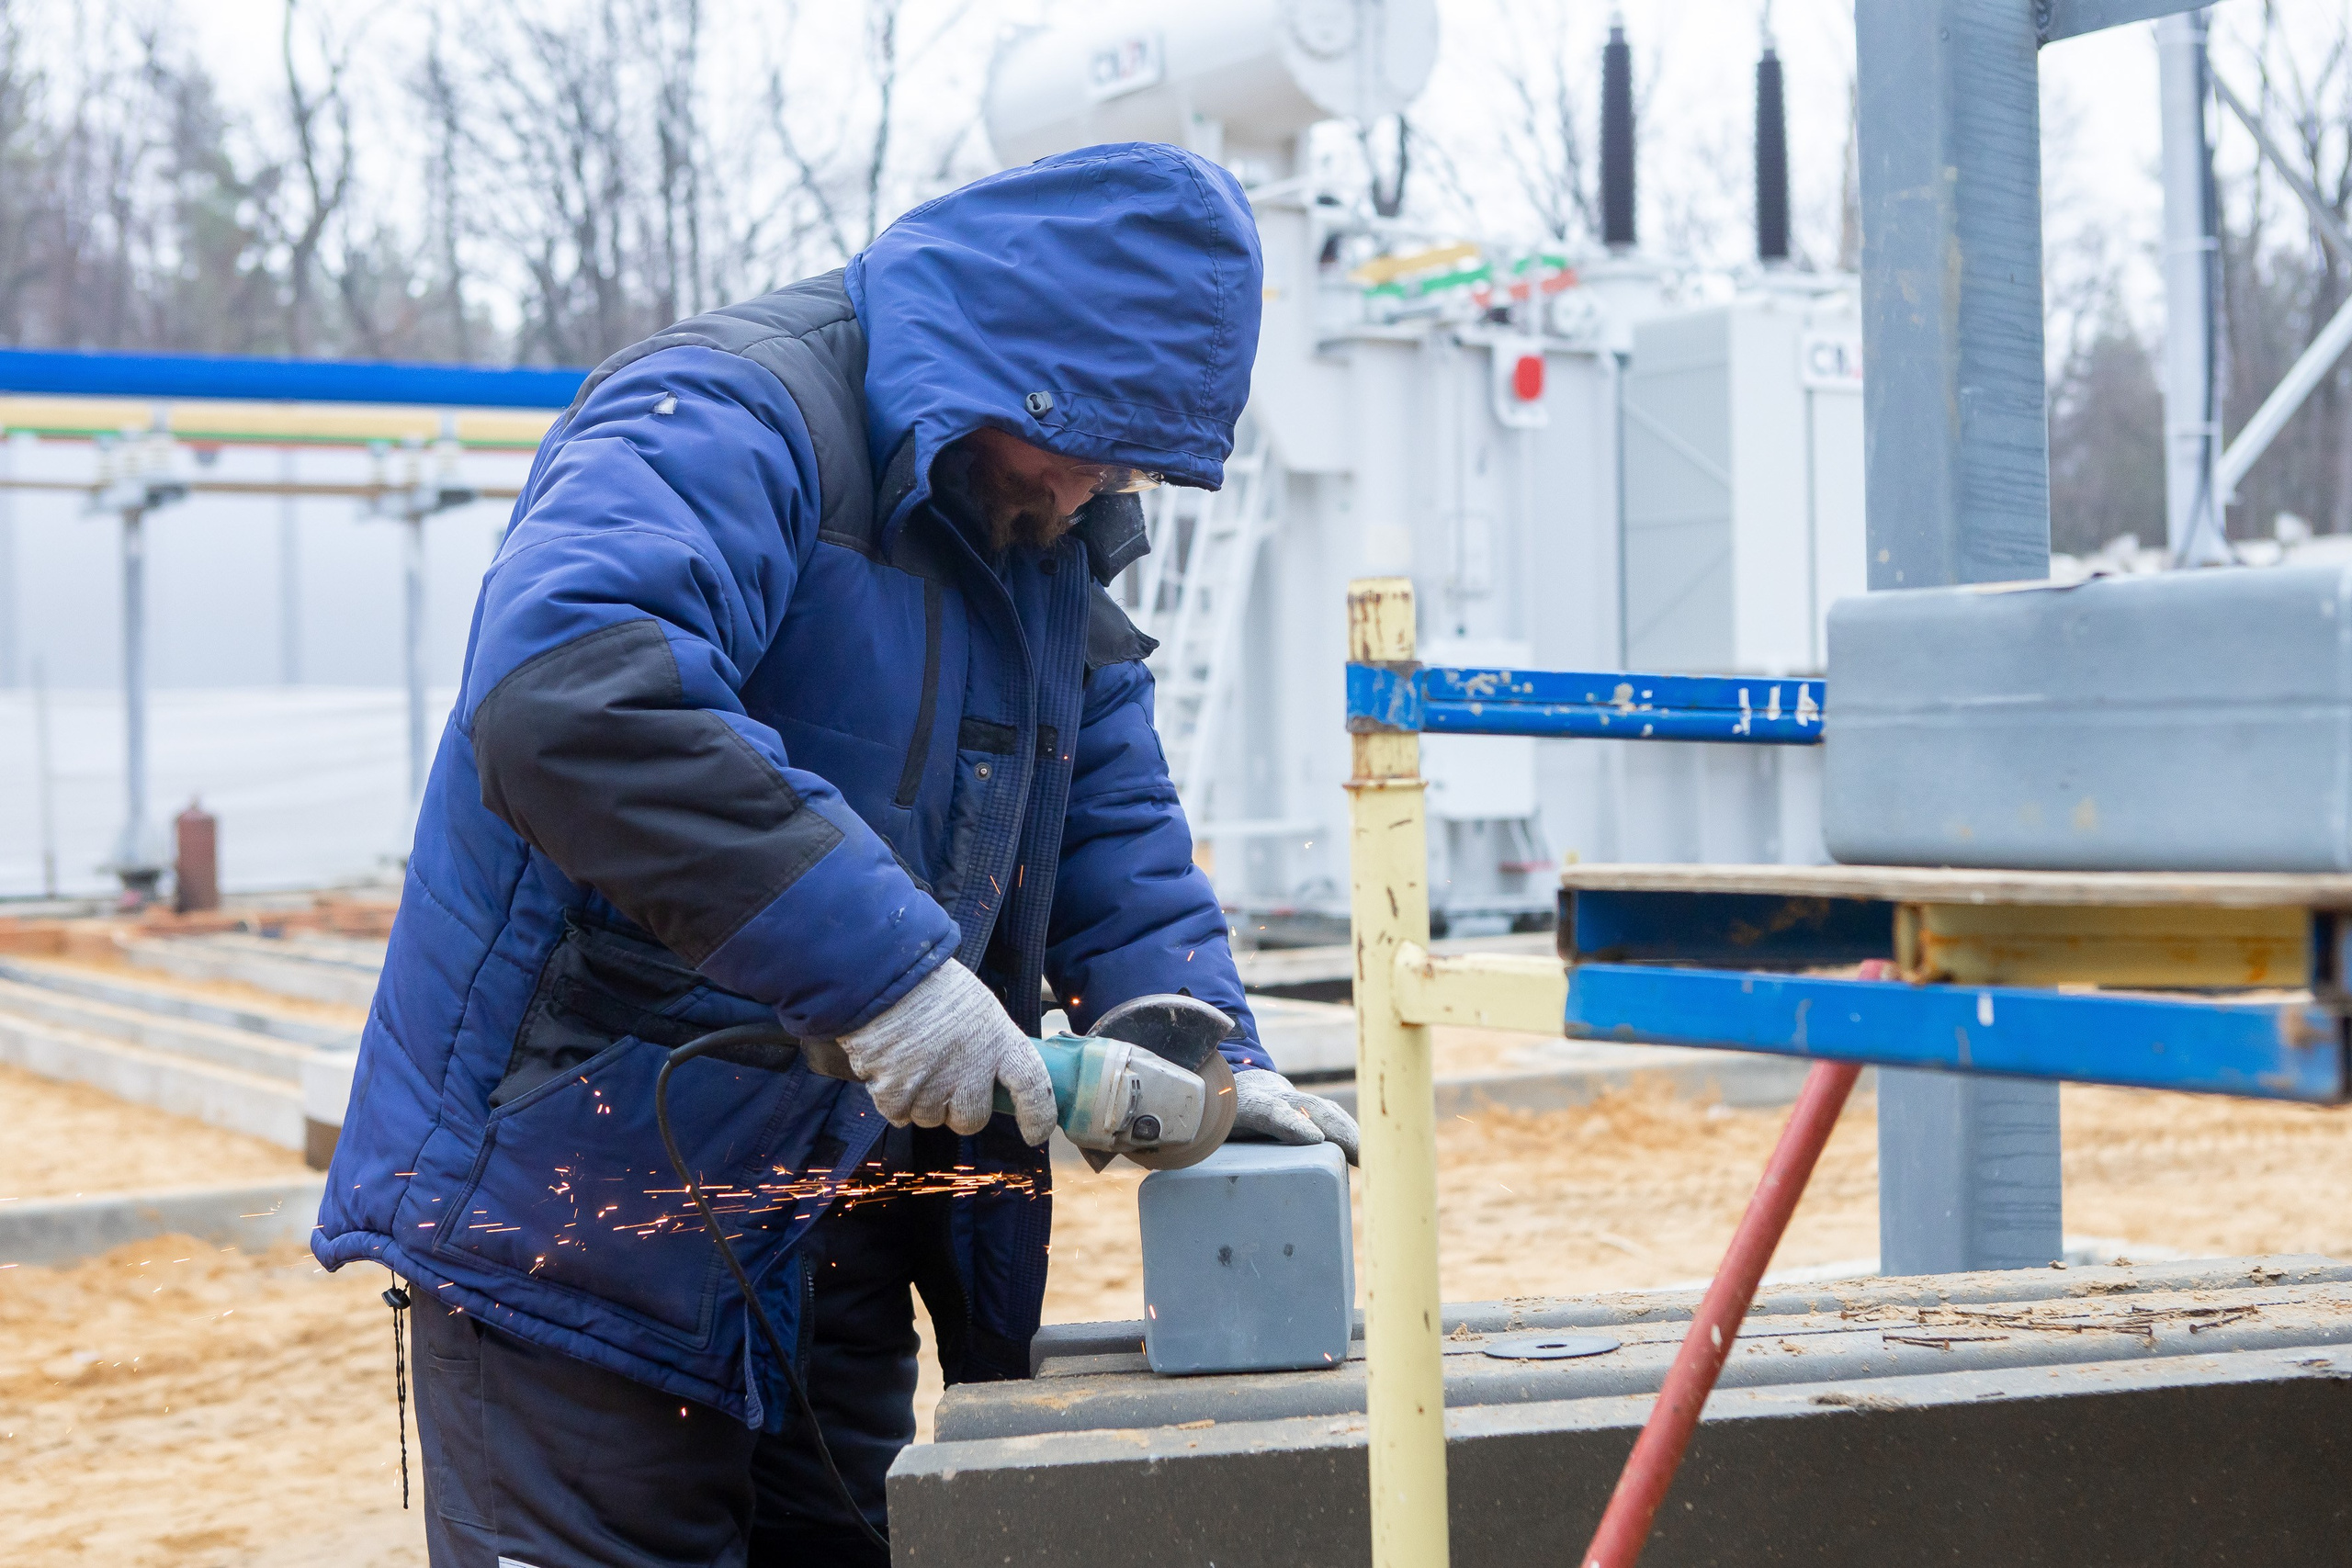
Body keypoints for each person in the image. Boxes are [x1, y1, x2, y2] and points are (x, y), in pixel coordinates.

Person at [312, 141, 1360, 1568]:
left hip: (835, 1227)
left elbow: (1106, 809)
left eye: (1134, 462)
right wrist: (892, 980)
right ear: (1010, 367)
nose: (1101, 486)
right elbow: (572, 704)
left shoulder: (1037, 520)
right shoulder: (725, 418)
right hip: (589, 1220)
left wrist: (1209, 1050)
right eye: (1093, 444)